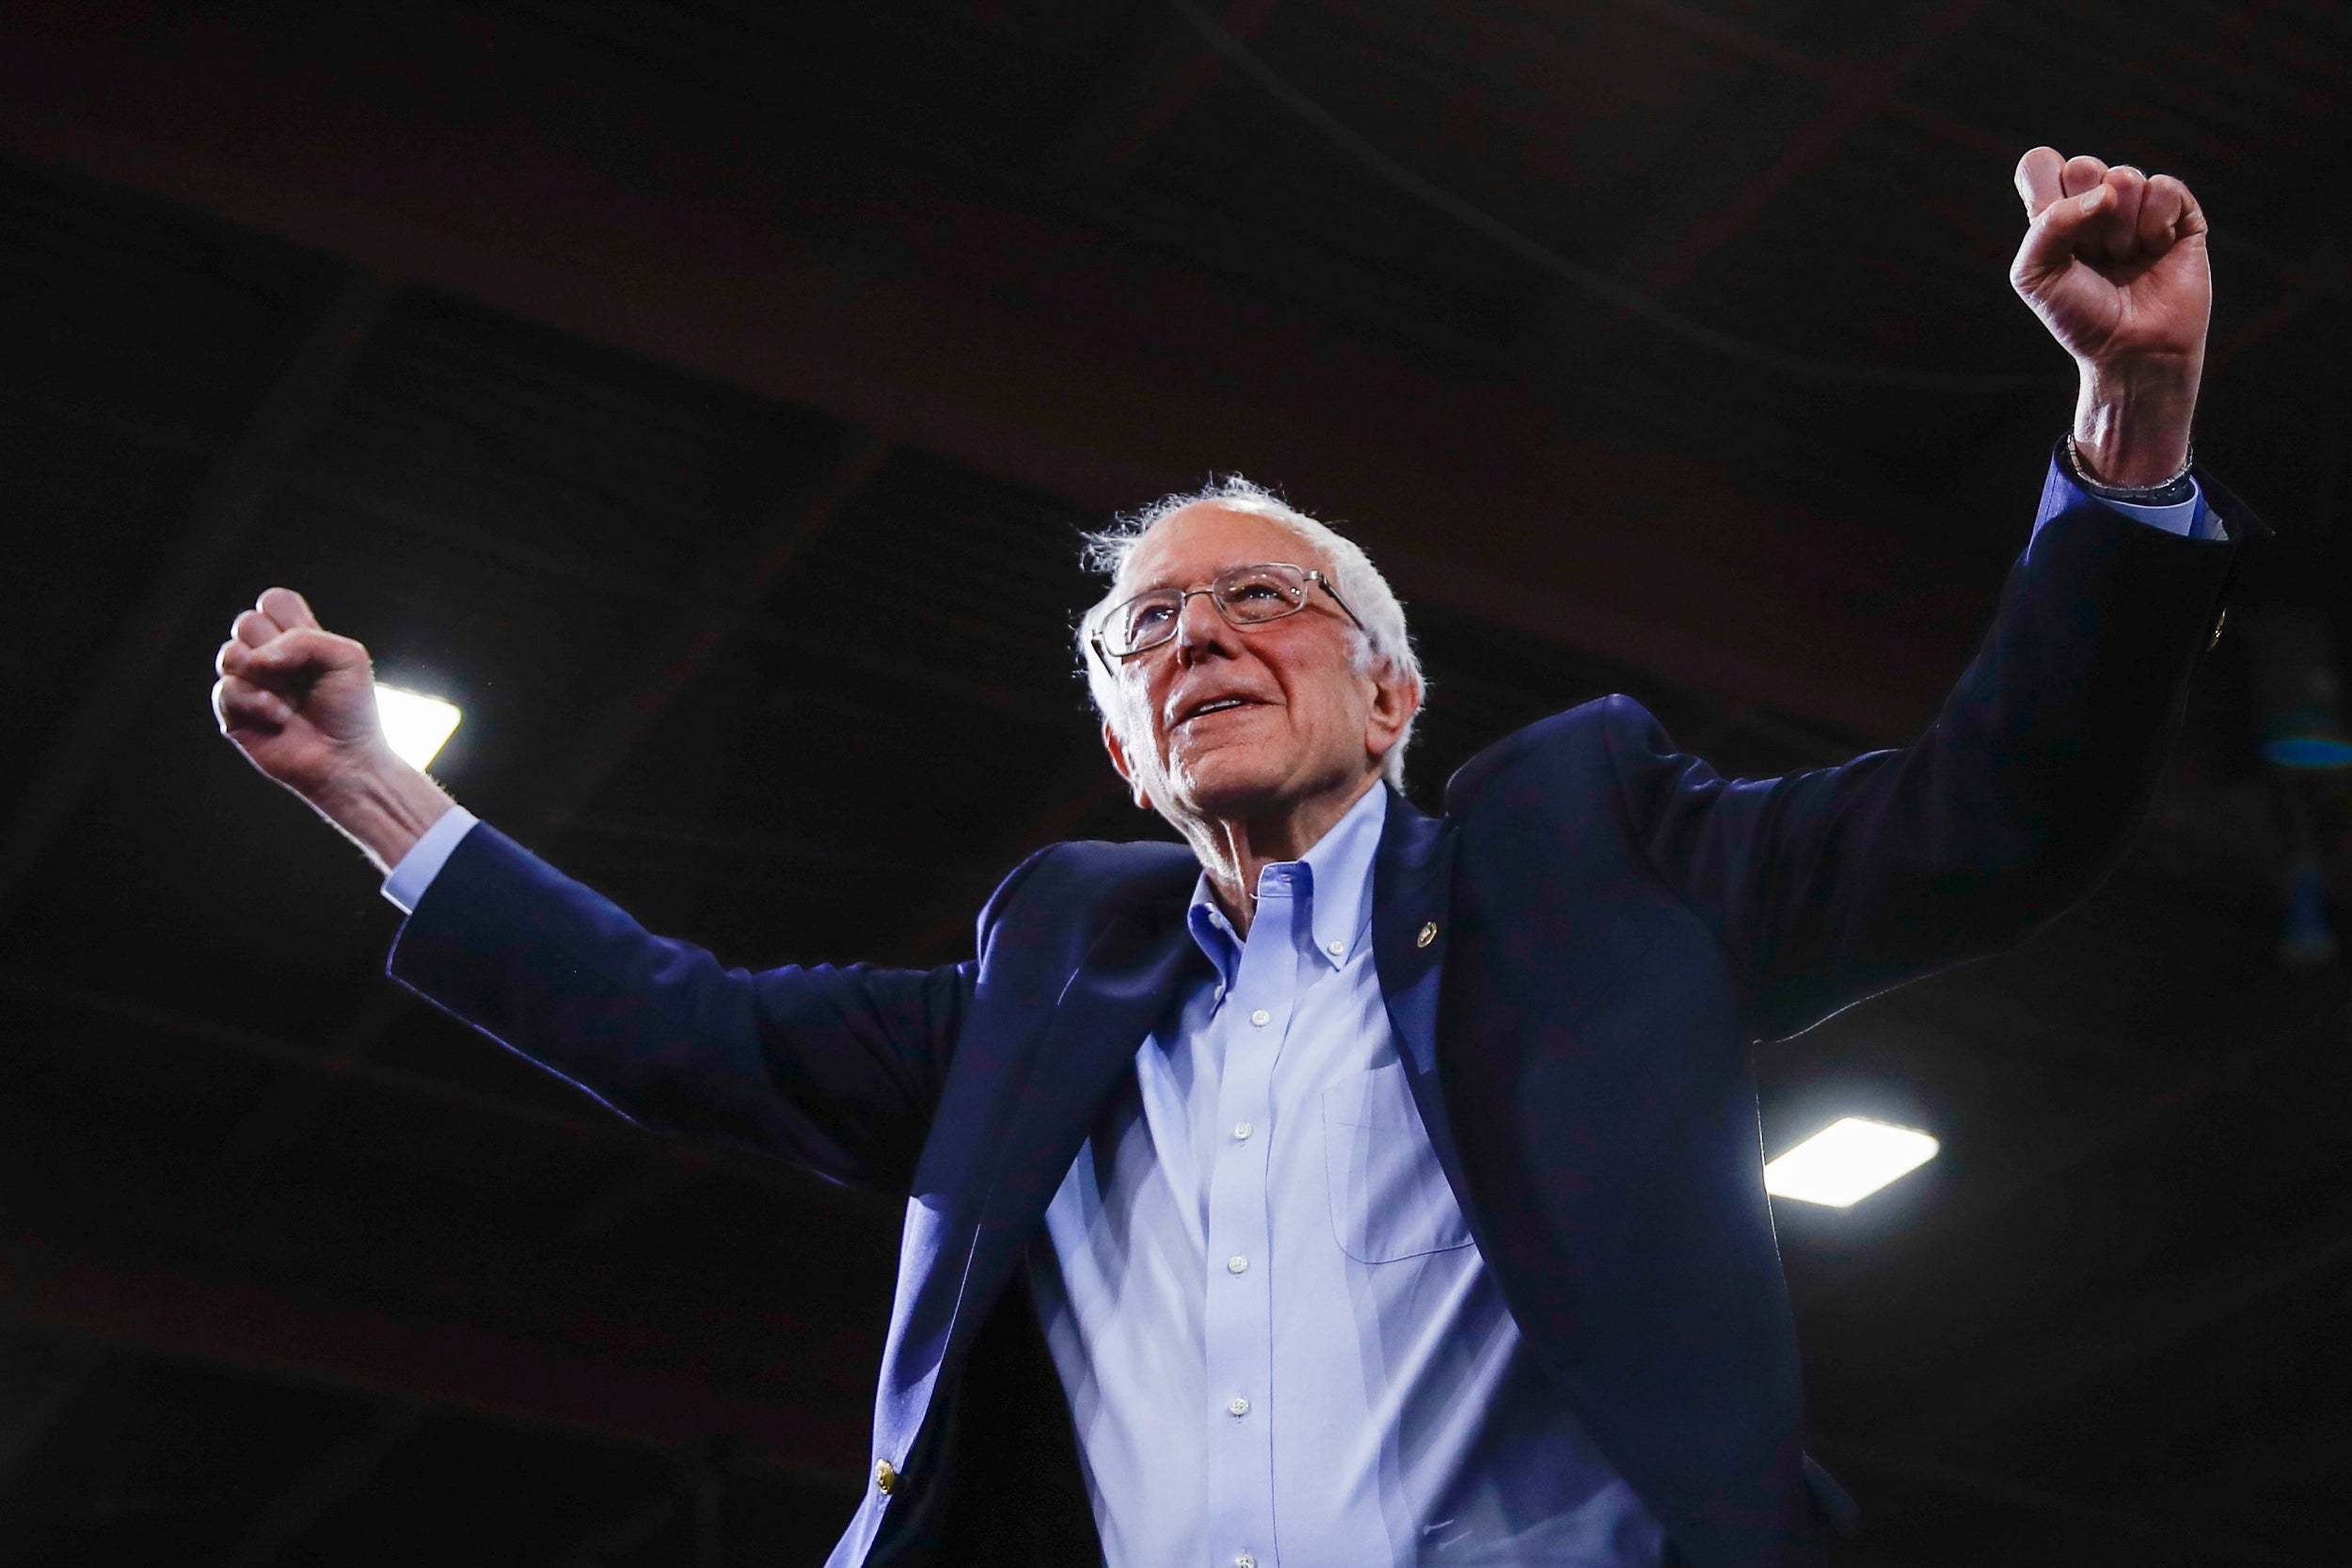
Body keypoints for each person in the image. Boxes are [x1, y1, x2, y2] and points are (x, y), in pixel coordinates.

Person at [212, 149, 2251, 1568]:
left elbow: (1989, 821)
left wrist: (2130, 406)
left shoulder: (1591, 856)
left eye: (1256, 601)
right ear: (1122, 748)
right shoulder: (1048, 979)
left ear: (1387, 693)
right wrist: (365, 789)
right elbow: (686, 1030)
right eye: (1145, 638)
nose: (1196, 641)